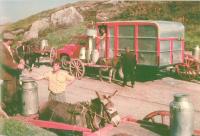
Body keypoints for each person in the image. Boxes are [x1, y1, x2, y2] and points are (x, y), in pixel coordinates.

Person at [0, 31, 25, 115]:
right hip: (7, 75)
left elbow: (15, 56)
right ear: (8, 40)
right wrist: (17, 66)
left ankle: (15, 110)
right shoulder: (1, 48)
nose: (13, 41)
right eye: (12, 40)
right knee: (9, 95)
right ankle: (9, 113)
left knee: (16, 92)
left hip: (14, 75)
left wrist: (20, 59)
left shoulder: (11, 48)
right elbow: (5, 62)